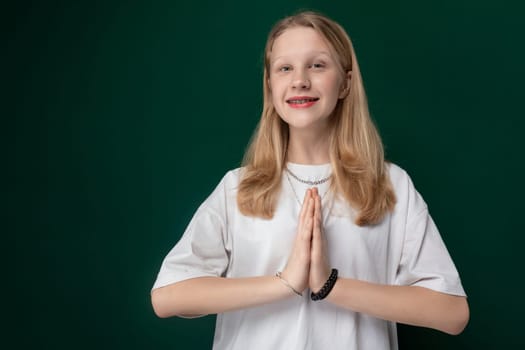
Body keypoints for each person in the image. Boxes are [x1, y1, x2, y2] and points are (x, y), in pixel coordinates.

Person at [151, 11, 469, 350]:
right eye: (285, 68)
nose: (299, 80)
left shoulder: (390, 185)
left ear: (346, 82)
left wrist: (330, 285)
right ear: (270, 85)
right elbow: (168, 296)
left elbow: (451, 312)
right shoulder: (238, 188)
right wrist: (286, 282)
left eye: (317, 65)